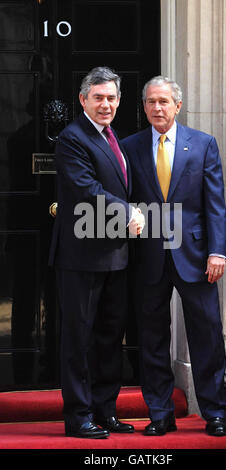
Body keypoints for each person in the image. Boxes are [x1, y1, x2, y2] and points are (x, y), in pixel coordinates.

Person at [122, 76, 226, 437]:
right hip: (148, 256)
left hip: (197, 256)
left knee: (207, 334)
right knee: (152, 337)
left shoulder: (203, 144)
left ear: (178, 106)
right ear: (144, 106)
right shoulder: (130, 147)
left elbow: (215, 204)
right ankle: (160, 414)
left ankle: (215, 412)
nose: (157, 108)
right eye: (151, 102)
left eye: (164, 102)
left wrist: (218, 251)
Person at [49, 66, 144, 439]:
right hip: (80, 258)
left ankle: (105, 411)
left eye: (112, 98)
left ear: (119, 101)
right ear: (83, 99)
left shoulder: (112, 136)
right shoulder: (72, 139)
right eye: (99, 97)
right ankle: (78, 417)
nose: (106, 104)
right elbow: (87, 190)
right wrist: (129, 213)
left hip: (115, 256)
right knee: (79, 340)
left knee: (109, 338)